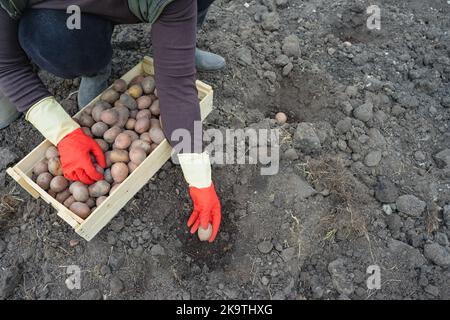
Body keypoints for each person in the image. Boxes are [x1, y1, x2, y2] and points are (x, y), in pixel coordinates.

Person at [0, 0, 222, 242]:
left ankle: (181, 42)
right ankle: (93, 67)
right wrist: (63, 133)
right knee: (49, 36)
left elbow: (176, 85)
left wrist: (199, 177)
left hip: (138, 5)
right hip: (69, 17)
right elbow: (7, 66)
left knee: (177, 32)